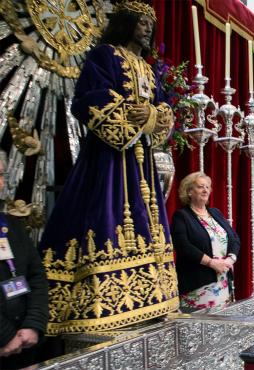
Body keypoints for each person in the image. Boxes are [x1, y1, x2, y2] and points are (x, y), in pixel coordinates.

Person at [38, 0, 179, 335]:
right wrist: (129, 115)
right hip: (110, 157)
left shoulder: (147, 67)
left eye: (150, 24)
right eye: (141, 23)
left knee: (148, 218)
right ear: (126, 23)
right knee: (104, 213)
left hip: (141, 160)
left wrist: (154, 117)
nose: (147, 29)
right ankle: (98, 300)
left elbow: (162, 108)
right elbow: (87, 97)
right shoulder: (105, 55)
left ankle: (150, 296)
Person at [0, 150, 48, 370]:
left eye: (1, 175)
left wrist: (33, 324)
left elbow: (36, 276)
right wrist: (5, 335)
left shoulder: (11, 225)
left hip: (24, 344)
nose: (0, 183)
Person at [171, 172, 240, 310]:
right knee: (200, 325)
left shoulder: (215, 213)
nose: (205, 190)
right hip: (198, 283)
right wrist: (211, 262)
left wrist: (230, 260)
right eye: (200, 186)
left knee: (222, 323)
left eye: (208, 187)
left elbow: (234, 238)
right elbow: (183, 246)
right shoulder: (182, 216)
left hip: (223, 279)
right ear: (189, 191)